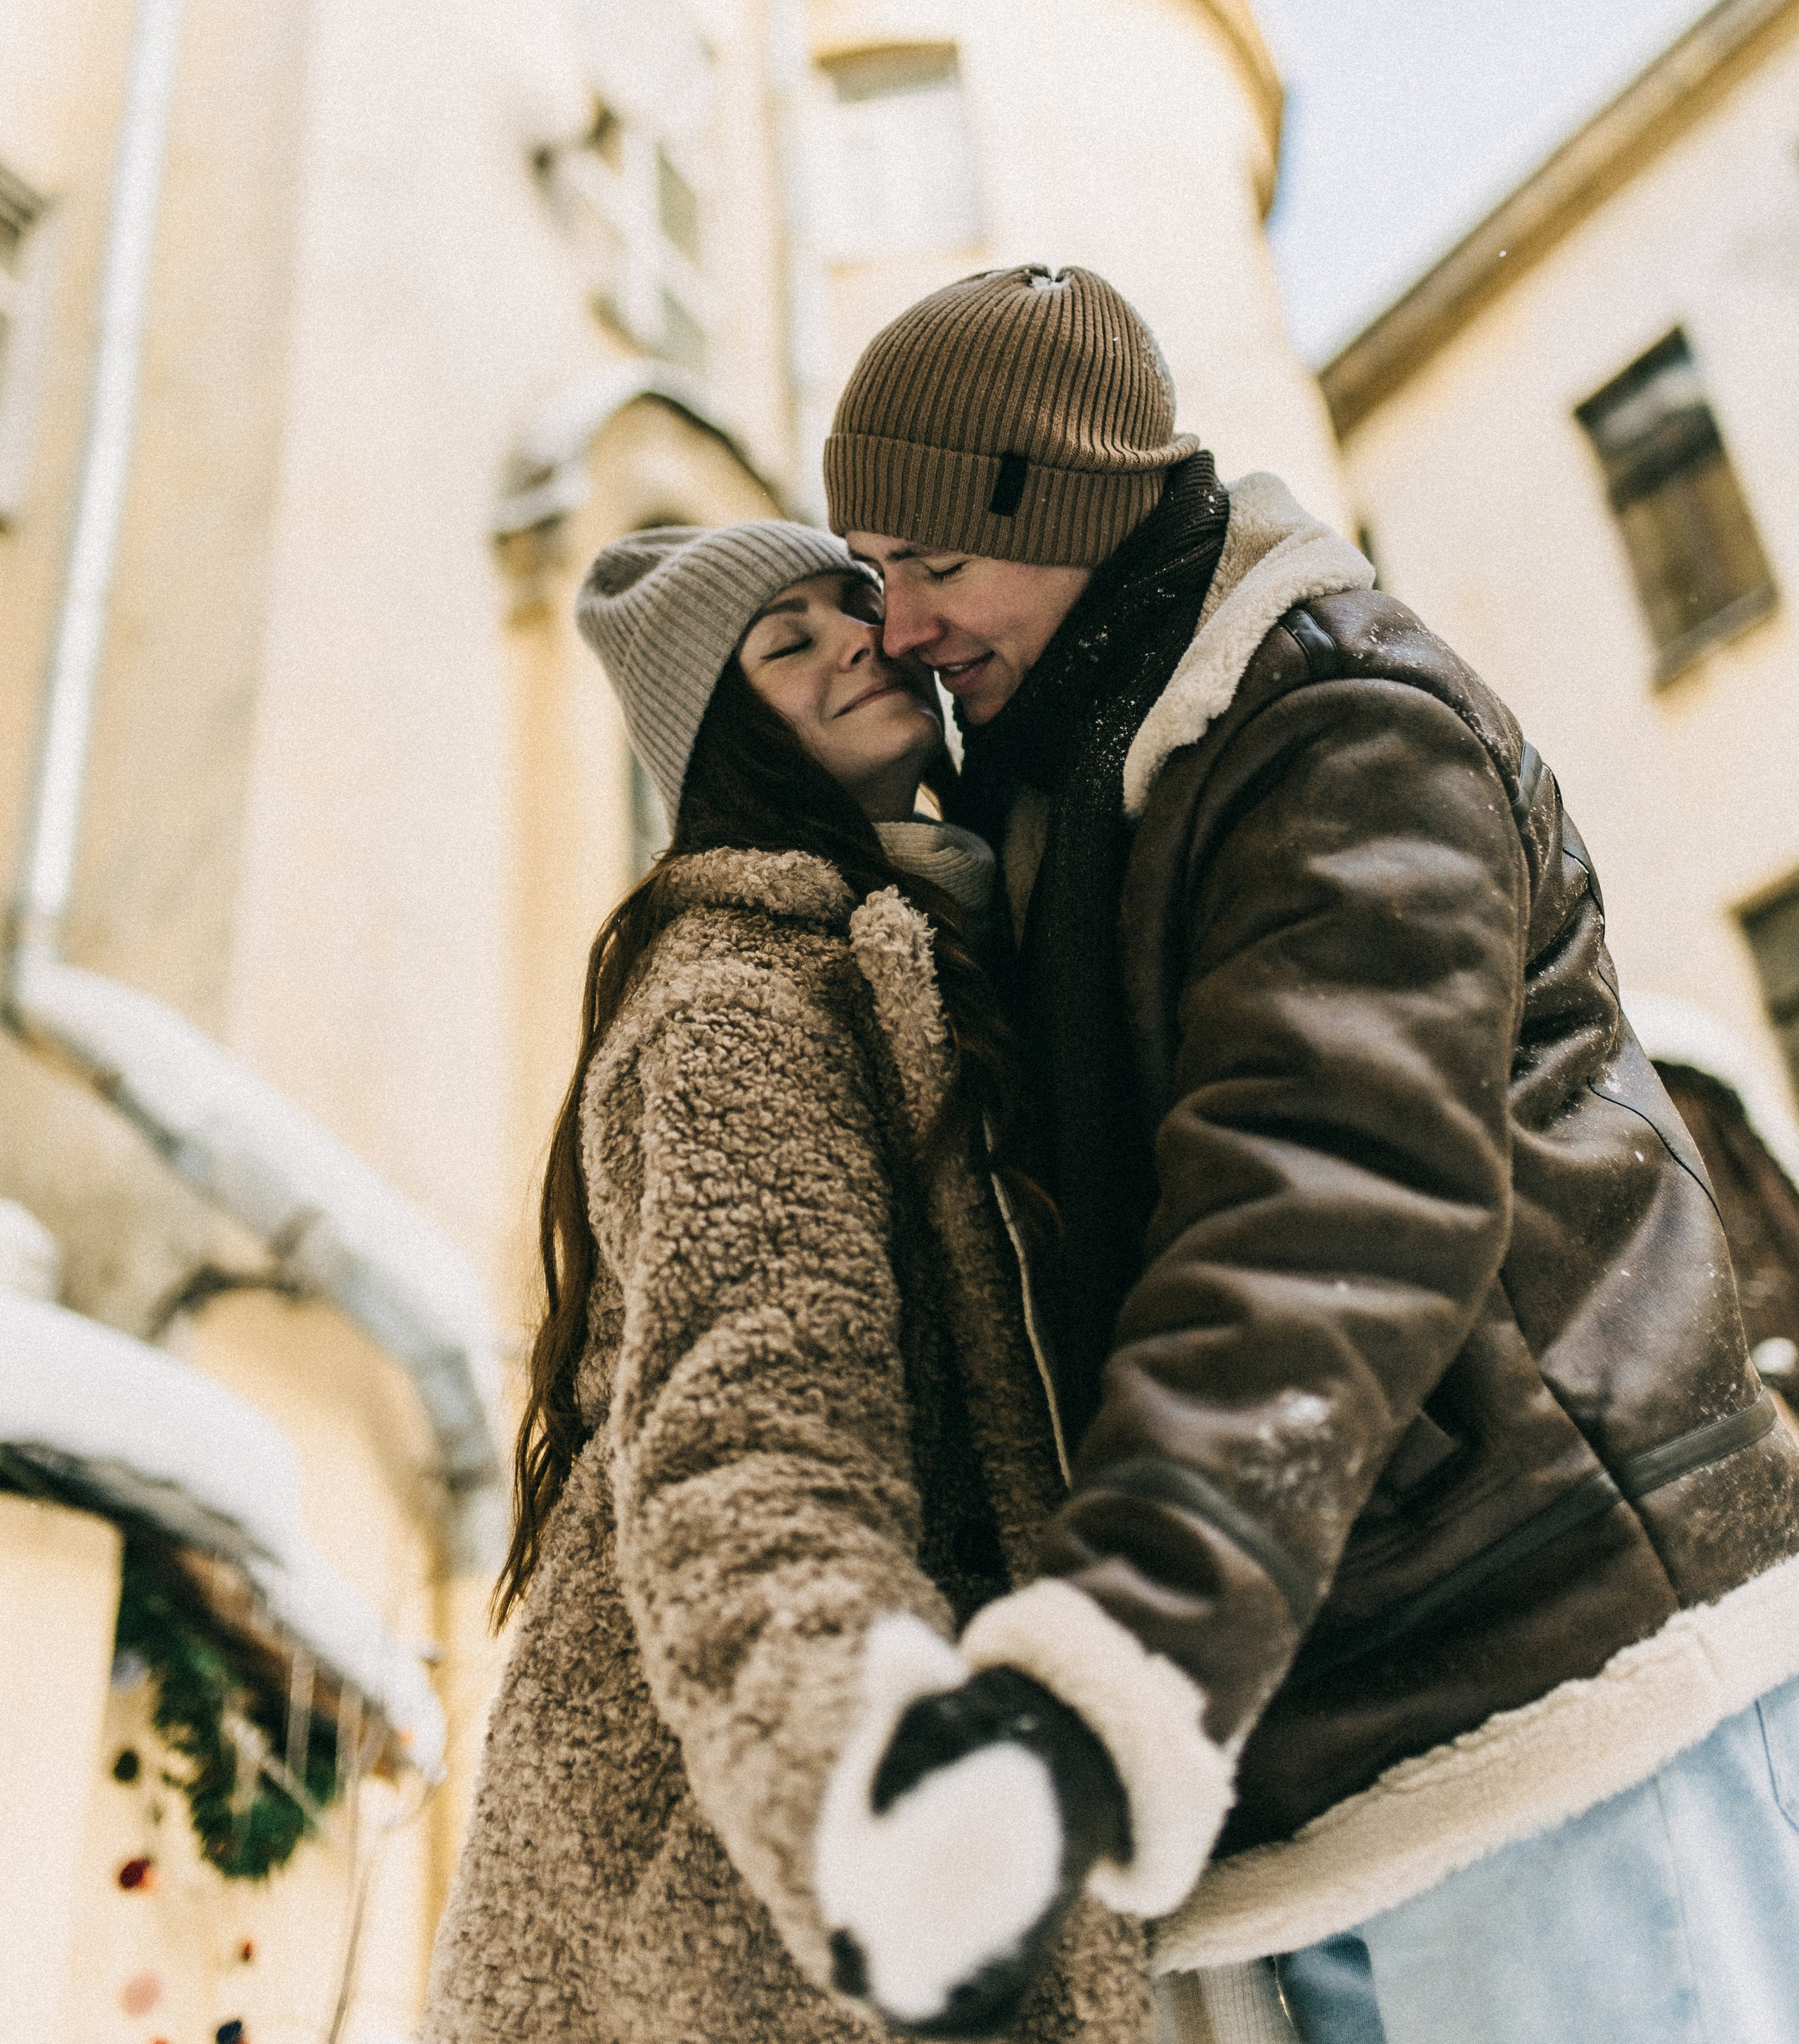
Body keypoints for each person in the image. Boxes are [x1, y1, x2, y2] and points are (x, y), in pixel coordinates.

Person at [813, 264, 1799, 2044]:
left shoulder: (1333, 727)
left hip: (1556, 1700)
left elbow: (1329, 1196)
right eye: (872, 572)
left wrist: (1102, 1673)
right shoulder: (1074, 788)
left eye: (934, 560)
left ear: (1077, 506)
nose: (897, 624)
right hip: (1332, 1747)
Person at [424, 519, 1206, 2044]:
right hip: (742, 1871)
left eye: (851, 605)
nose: (856, 636)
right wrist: (872, 1773)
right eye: (785, 646)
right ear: (726, 745)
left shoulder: (950, 937)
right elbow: (752, 1422)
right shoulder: (741, 992)